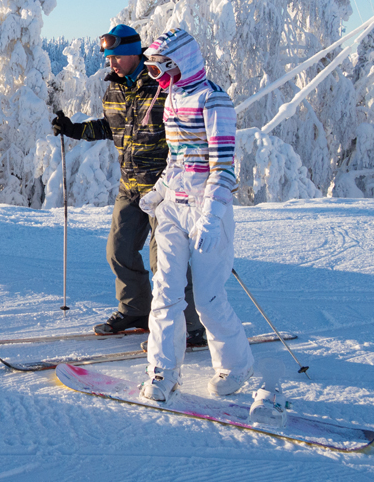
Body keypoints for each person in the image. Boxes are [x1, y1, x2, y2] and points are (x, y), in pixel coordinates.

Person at [52, 24, 205, 345]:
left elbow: (187, 125)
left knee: (166, 262)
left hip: (164, 189)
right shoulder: (115, 89)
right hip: (130, 186)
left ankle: (189, 326)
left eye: (117, 57)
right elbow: (113, 128)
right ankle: (136, 309)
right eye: (108, 58)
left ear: (134, 54)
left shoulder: (162, 85)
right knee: (118, 251)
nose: (112, 63)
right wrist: (74, 130)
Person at [137, 28, 254, 402]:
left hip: (206, 209)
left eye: (161, 67)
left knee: (208, 299)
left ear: (182, 62)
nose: (157, 75)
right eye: (153, 68)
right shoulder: (172, 96)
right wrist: (160, 191)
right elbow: (177, 158)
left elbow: (223, 166)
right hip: (173, 208)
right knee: (165, 292)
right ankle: (163, 371)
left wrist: (212, 216)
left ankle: (236, 365)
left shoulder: (213, 99)